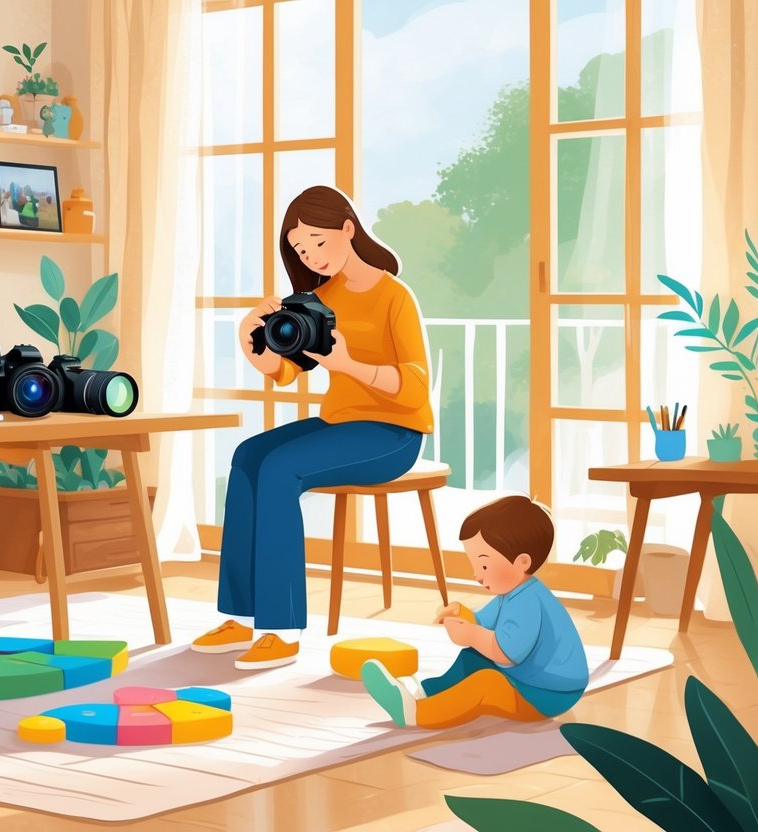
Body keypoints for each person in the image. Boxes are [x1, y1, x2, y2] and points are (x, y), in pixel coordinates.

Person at [191, 185, 434, 670]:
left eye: (319, 242)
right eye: (302, 250)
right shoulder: (318, 298)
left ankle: (282, 628)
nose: (312, 256)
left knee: (280, 469)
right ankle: (241, 615)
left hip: (394, 433)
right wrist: (249, 338)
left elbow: (416, 388)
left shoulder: (395, 296)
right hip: (338, 424)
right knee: (248, 456)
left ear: (348, 228)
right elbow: (284, 372)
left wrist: (349, 363)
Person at [362, 495, 589, 728]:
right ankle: (426, 691)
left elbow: (506, 653)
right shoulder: (511, 593)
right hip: (529, 678)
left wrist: (470, 635)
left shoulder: (528, 602)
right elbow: (483, 620)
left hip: (547, 694)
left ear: (522, 562)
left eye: (484, 565)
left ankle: (418, 713)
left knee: (485, 684)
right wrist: (462, 614)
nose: (477, 575)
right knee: (471, 657)